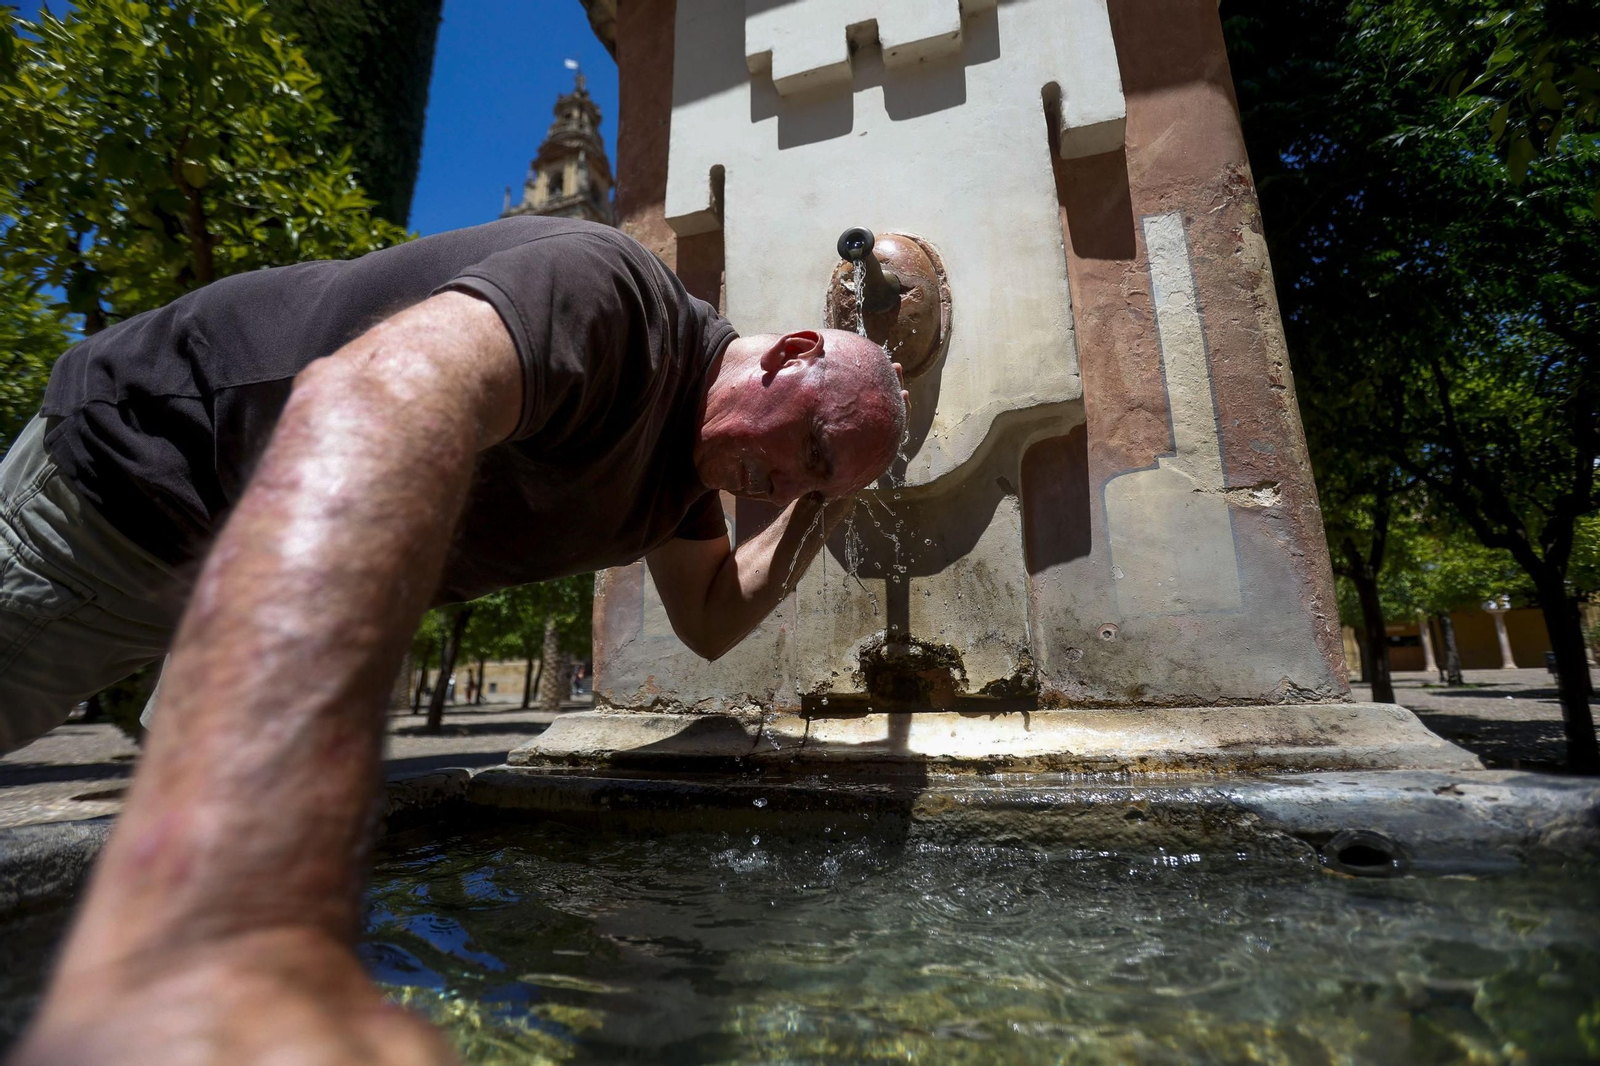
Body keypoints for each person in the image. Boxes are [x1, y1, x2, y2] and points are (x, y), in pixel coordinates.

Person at [3, 216, 906, 1064]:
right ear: (790, 355)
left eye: (811, 487)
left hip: (248, 569)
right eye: (808, 453)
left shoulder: (683, 475)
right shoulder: (615, 301)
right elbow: (379, 393)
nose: (784, 486)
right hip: (132, 484)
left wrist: (822, 514)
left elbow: (710, 618)